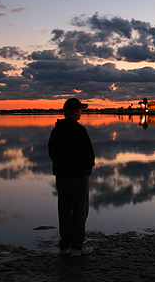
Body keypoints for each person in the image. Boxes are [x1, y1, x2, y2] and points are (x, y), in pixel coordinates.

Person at [48, 98, 95, 257]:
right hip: (78, 175)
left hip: (61, 175)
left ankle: (64, 246)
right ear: (75, 111)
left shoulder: (56, 130)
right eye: (80, 109)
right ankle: (77, 247)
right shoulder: (79, 130)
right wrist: (87, 169)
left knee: (64, 211)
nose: (82, 112)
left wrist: (60, 166)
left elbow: (51, 153)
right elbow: (89, 155)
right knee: (79, 211)